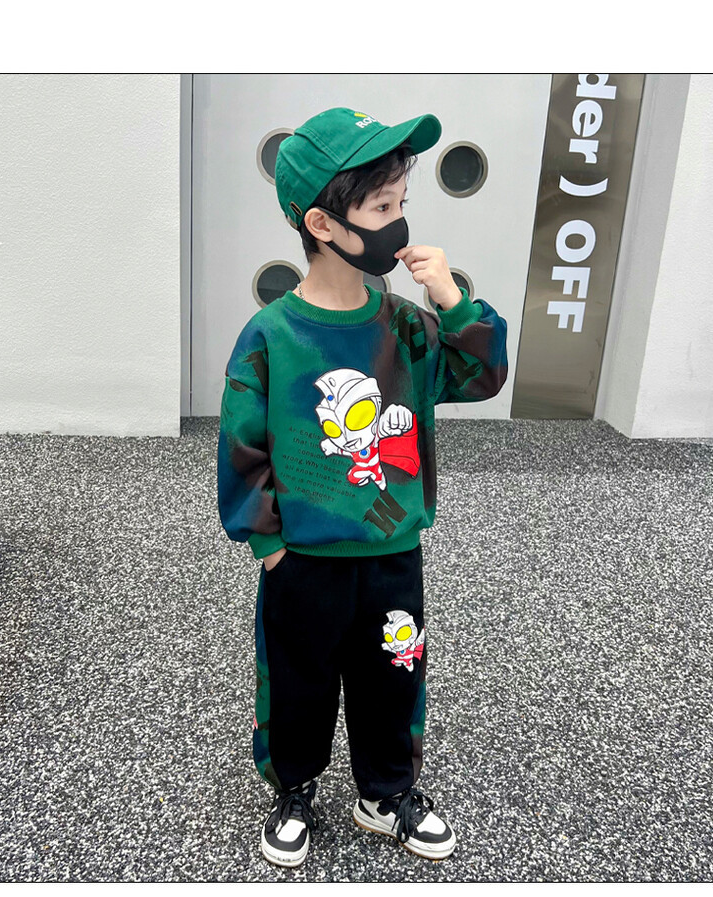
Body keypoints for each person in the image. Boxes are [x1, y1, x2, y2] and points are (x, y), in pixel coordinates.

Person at [217, 107, 508, 868]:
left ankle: (386, 793)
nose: (399, 225)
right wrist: (269, 544)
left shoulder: (408, 328)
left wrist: (453, 300)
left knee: (393, 676)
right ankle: (294, 787)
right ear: (321, 223)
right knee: (298, 680)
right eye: (382, 208)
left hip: (391, 552)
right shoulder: (272, 336)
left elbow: (482, 376)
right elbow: (243, 447)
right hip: (304, 559)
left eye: (402, 204)